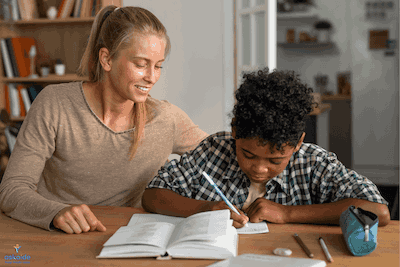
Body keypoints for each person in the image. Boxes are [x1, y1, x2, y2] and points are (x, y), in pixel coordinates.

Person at [0, 5, 208, 234]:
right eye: (140, 64)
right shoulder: (54, 104)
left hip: (128, 240)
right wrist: (55, 212)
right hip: (58, 238)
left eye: (158, 66)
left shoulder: (167, 119)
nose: (151, 77)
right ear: (107, 59)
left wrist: (255, 193)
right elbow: (12, 190)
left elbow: (229, 154)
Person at [142, 68, 391, 228]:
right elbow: (152, 195)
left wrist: (287, 214)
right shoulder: (214, 150)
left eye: (275, 160)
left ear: (297, 144)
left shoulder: (313, 163)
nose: (259, 169)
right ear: (235, 132)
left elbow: (378, 211)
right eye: (248, 154)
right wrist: (205, 208)